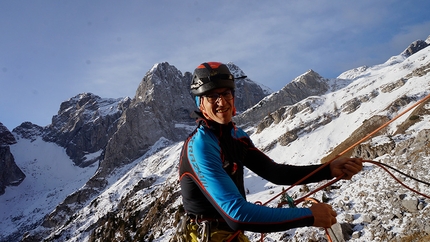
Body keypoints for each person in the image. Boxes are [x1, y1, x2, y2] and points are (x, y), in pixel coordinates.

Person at [177, 62, 363, 242]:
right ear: (200, 103)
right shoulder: (201, 145)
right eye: (212, 96)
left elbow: (274, 172)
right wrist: (309, 216)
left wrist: (329, 170)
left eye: (226, 93)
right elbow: (237, 215)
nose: (221, 102)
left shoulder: (236, 137)